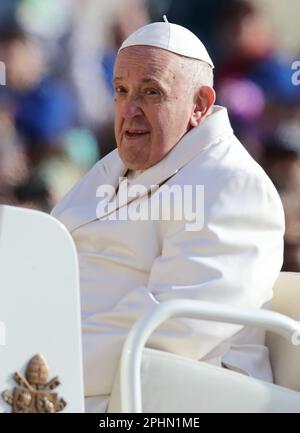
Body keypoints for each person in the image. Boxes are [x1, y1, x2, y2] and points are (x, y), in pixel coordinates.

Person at [51, 20, 285, 412]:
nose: (129, 108)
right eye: (121, 90)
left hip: (155, 398)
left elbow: (175, 329)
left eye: (151, 92)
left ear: (199, 105)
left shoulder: (231, 184)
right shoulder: (114, 166)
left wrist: (42, 357)